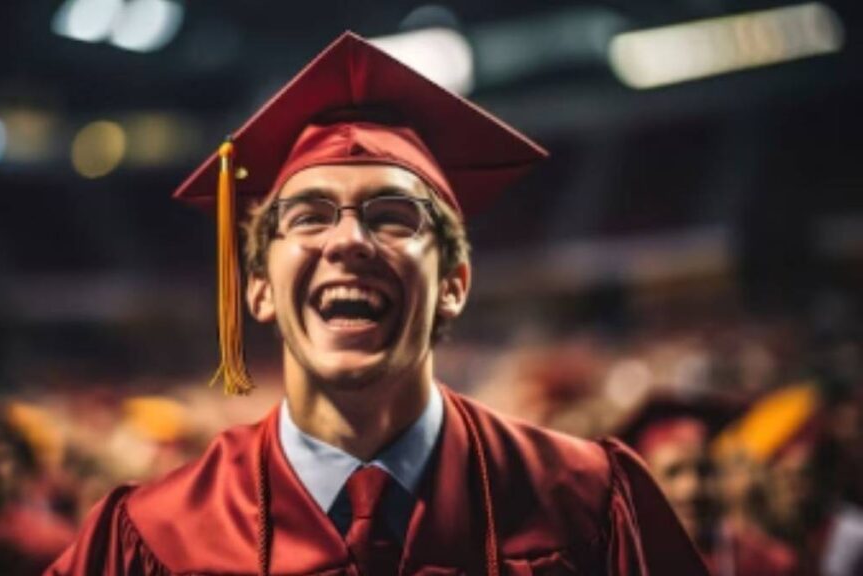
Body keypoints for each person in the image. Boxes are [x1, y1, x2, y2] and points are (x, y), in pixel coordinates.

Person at [47, 31, 708, 575]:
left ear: (454, 285)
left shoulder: (587, 504)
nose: (350, 240)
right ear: (258, 289)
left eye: (394, 216)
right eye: (308, 215)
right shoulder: (152, 538)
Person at [621, 397, 797, 576]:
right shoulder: (620, 563)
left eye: (704, 471)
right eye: (672, 473)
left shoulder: (766, 564)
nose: (691, 489)